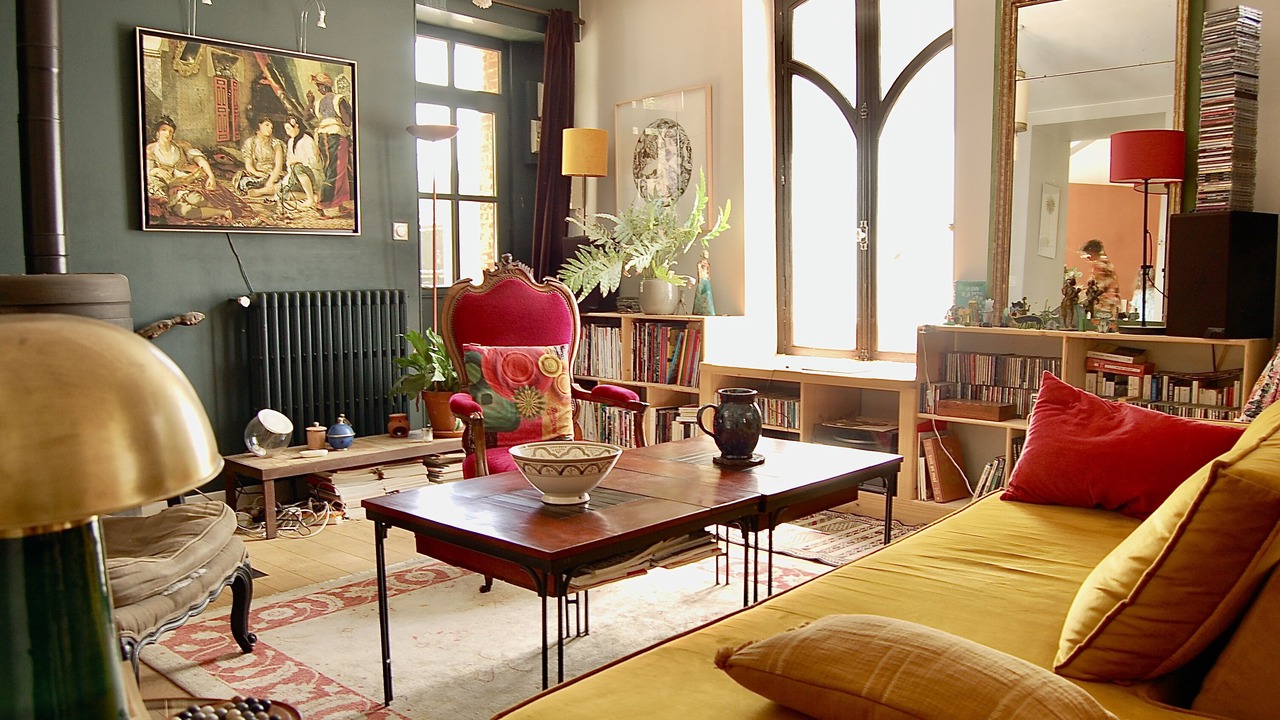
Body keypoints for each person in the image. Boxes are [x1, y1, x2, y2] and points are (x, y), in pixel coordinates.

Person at [144, 116, 237, 221]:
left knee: (196, 200)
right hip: (168, 188)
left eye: (170, 131)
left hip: (188, 181)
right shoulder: (150, 150)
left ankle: (224, 209)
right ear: (157, 133)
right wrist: (157, 170)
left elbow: (200, 160)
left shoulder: (181, 145)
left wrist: (211, 176)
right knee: (185, 211)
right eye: (164, 130)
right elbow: (148, 171)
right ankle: (222, 212)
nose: (167, 134)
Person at [307, 71, 353, 216]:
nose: (318, 89)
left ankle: (339, 204)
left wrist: (309, 102)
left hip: (325, 137)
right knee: (336, 171)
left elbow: (305, 117)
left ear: (323, 87)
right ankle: (320, 204)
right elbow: (348, 121)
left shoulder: (319, 103)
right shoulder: (339, 100)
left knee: (338, 171)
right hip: (335, 137)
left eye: (318, 86)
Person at [276, 115, 320, 211]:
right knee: (280, 192)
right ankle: (313, 196)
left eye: (288, 128)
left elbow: (314, 161)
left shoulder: (307, 140)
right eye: (286, 129)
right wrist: (290, 165)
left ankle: (310, 198)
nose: (287, 132)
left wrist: (298, 161)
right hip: (296, 175)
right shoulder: (291, 141)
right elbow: (289, 159)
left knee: (298, 167)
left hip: (311, 173)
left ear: (296, 126)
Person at [236, 115, 285, 200]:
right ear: (259, 126)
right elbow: (248, 165)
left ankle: (262, 191)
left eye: (271, 127)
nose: (270, 129)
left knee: (284, 184)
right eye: (267, 125)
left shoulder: (276, 143)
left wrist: (271, 181)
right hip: (257, 176)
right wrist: (256, 173)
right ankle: (268, 189)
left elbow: (278, 166)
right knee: (244, 182)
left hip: (273, 175)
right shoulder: (250, 142)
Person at [1079, 239, 1122, 318]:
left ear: (1093, 252)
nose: (1087, 258)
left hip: (1105, 303)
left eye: (1088, 254)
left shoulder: (1099, 265)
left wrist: (1086, 298)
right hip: (1112, 301)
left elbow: (1100, 286)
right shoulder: (1107, 263)